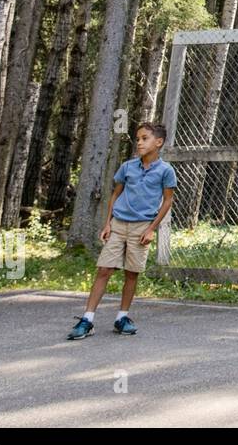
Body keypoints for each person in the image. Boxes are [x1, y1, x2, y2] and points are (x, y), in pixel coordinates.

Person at [68, 123, 176, 339]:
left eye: (145, 138)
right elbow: (115, 195)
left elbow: (167, 201)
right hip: (118, 225)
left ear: (159, 142)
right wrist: (108, 223)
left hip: (142, 227)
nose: (139, 142)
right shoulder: (127, 167)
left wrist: (151, 229)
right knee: (104, 270)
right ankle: (87, 319)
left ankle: (121, 317)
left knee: (131, 273)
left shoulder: (166, 171)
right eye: (138, 138)